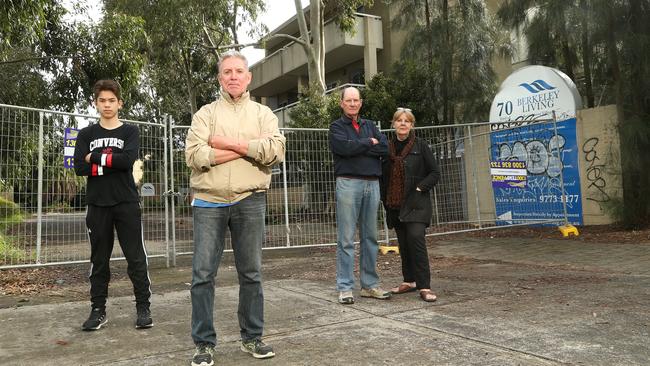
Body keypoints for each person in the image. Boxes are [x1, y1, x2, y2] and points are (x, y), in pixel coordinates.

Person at [185, 50, 286, 366]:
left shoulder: (263, 114)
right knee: (202, 275)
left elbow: (274, 151)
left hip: (249, 199)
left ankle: (252, 337)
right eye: (226, 71)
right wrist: (248, 150)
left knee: (251, 273)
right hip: (208, 201)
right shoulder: (205, 114)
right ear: (220, 77)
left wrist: (224, 144)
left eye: (238, 71)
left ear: (248, 76)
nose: (232, 76)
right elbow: (195, 156)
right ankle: (204, 344)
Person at [74, 79, 153, 331]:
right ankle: (98, 311)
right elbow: (80, 167)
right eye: (102, 101)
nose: (107, 105)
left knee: (136, 257)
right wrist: (110, 162)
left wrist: (95, 158)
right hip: (97, 204)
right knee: (99, 260)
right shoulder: (86, 134)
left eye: (112, 100)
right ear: (95, 103)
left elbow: (127, 161)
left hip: (126, 202)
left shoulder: (129, 132)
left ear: (120, 103)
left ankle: (143, 307)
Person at [329, 86, 391, 305]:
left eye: (356, 100)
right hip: (348, 184)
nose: (353, 104)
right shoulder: (336, 127)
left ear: (361, 103)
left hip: (372, 184)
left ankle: (369, 285)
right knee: (346, 239)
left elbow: (384, 149)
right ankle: (345, 287)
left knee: (370, 238)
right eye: (349, 100)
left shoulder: (370, 125)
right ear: (342, 103)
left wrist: (359, 146)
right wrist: (367, 143)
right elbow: (343, 149)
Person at [381, 108, 440, 302]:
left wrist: (419, 188)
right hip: (395, 204)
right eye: (399, 120)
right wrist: (384, 199)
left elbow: (434, 173)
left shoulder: (420, 146)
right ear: (394, 124)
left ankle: (424, 286)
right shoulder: (387, 148)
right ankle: (409, 280)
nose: (403, 123)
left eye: (407, 121)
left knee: (416, 240)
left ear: (412, 125)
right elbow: (383, 177)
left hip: (416, 203)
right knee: (404, 244)